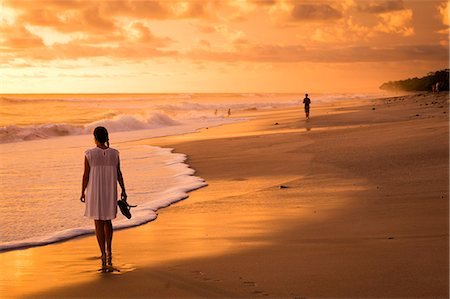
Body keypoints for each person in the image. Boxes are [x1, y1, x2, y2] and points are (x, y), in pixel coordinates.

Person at [80, 126, 127, 270]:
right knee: (108, 221)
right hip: (110, 190)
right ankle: (109, 250)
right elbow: (119, 173)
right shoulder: (115, 153)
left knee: (98, 222)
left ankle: (102, 253)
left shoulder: (89, 154)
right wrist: (123, 189)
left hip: (95, 191)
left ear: (95, 137)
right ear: (107, 137)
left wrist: (82, 192)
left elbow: (86, 175)